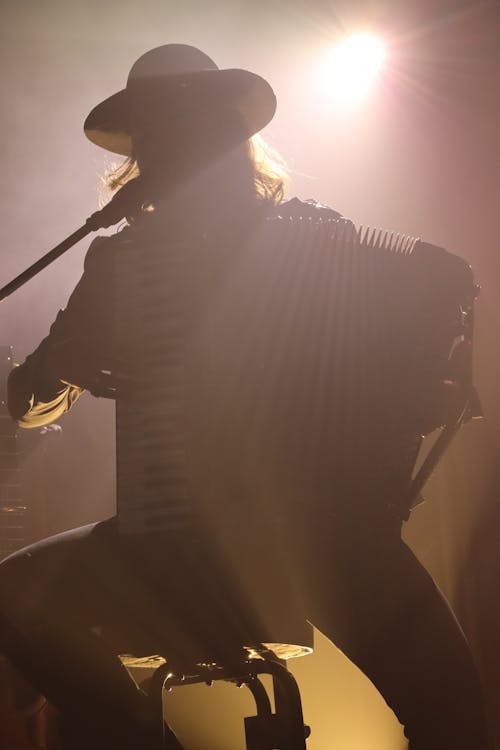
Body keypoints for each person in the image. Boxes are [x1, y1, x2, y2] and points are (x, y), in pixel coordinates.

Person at [0, 44, 491, 750]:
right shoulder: (125, 264)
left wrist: (435, 385)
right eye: (159, 137)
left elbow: (421, 380)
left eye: (181, 133)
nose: (169, 151)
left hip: (299, 539)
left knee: (456, 717)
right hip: (249, 544)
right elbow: (33, 396)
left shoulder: (310, 243)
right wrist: (68, 366)